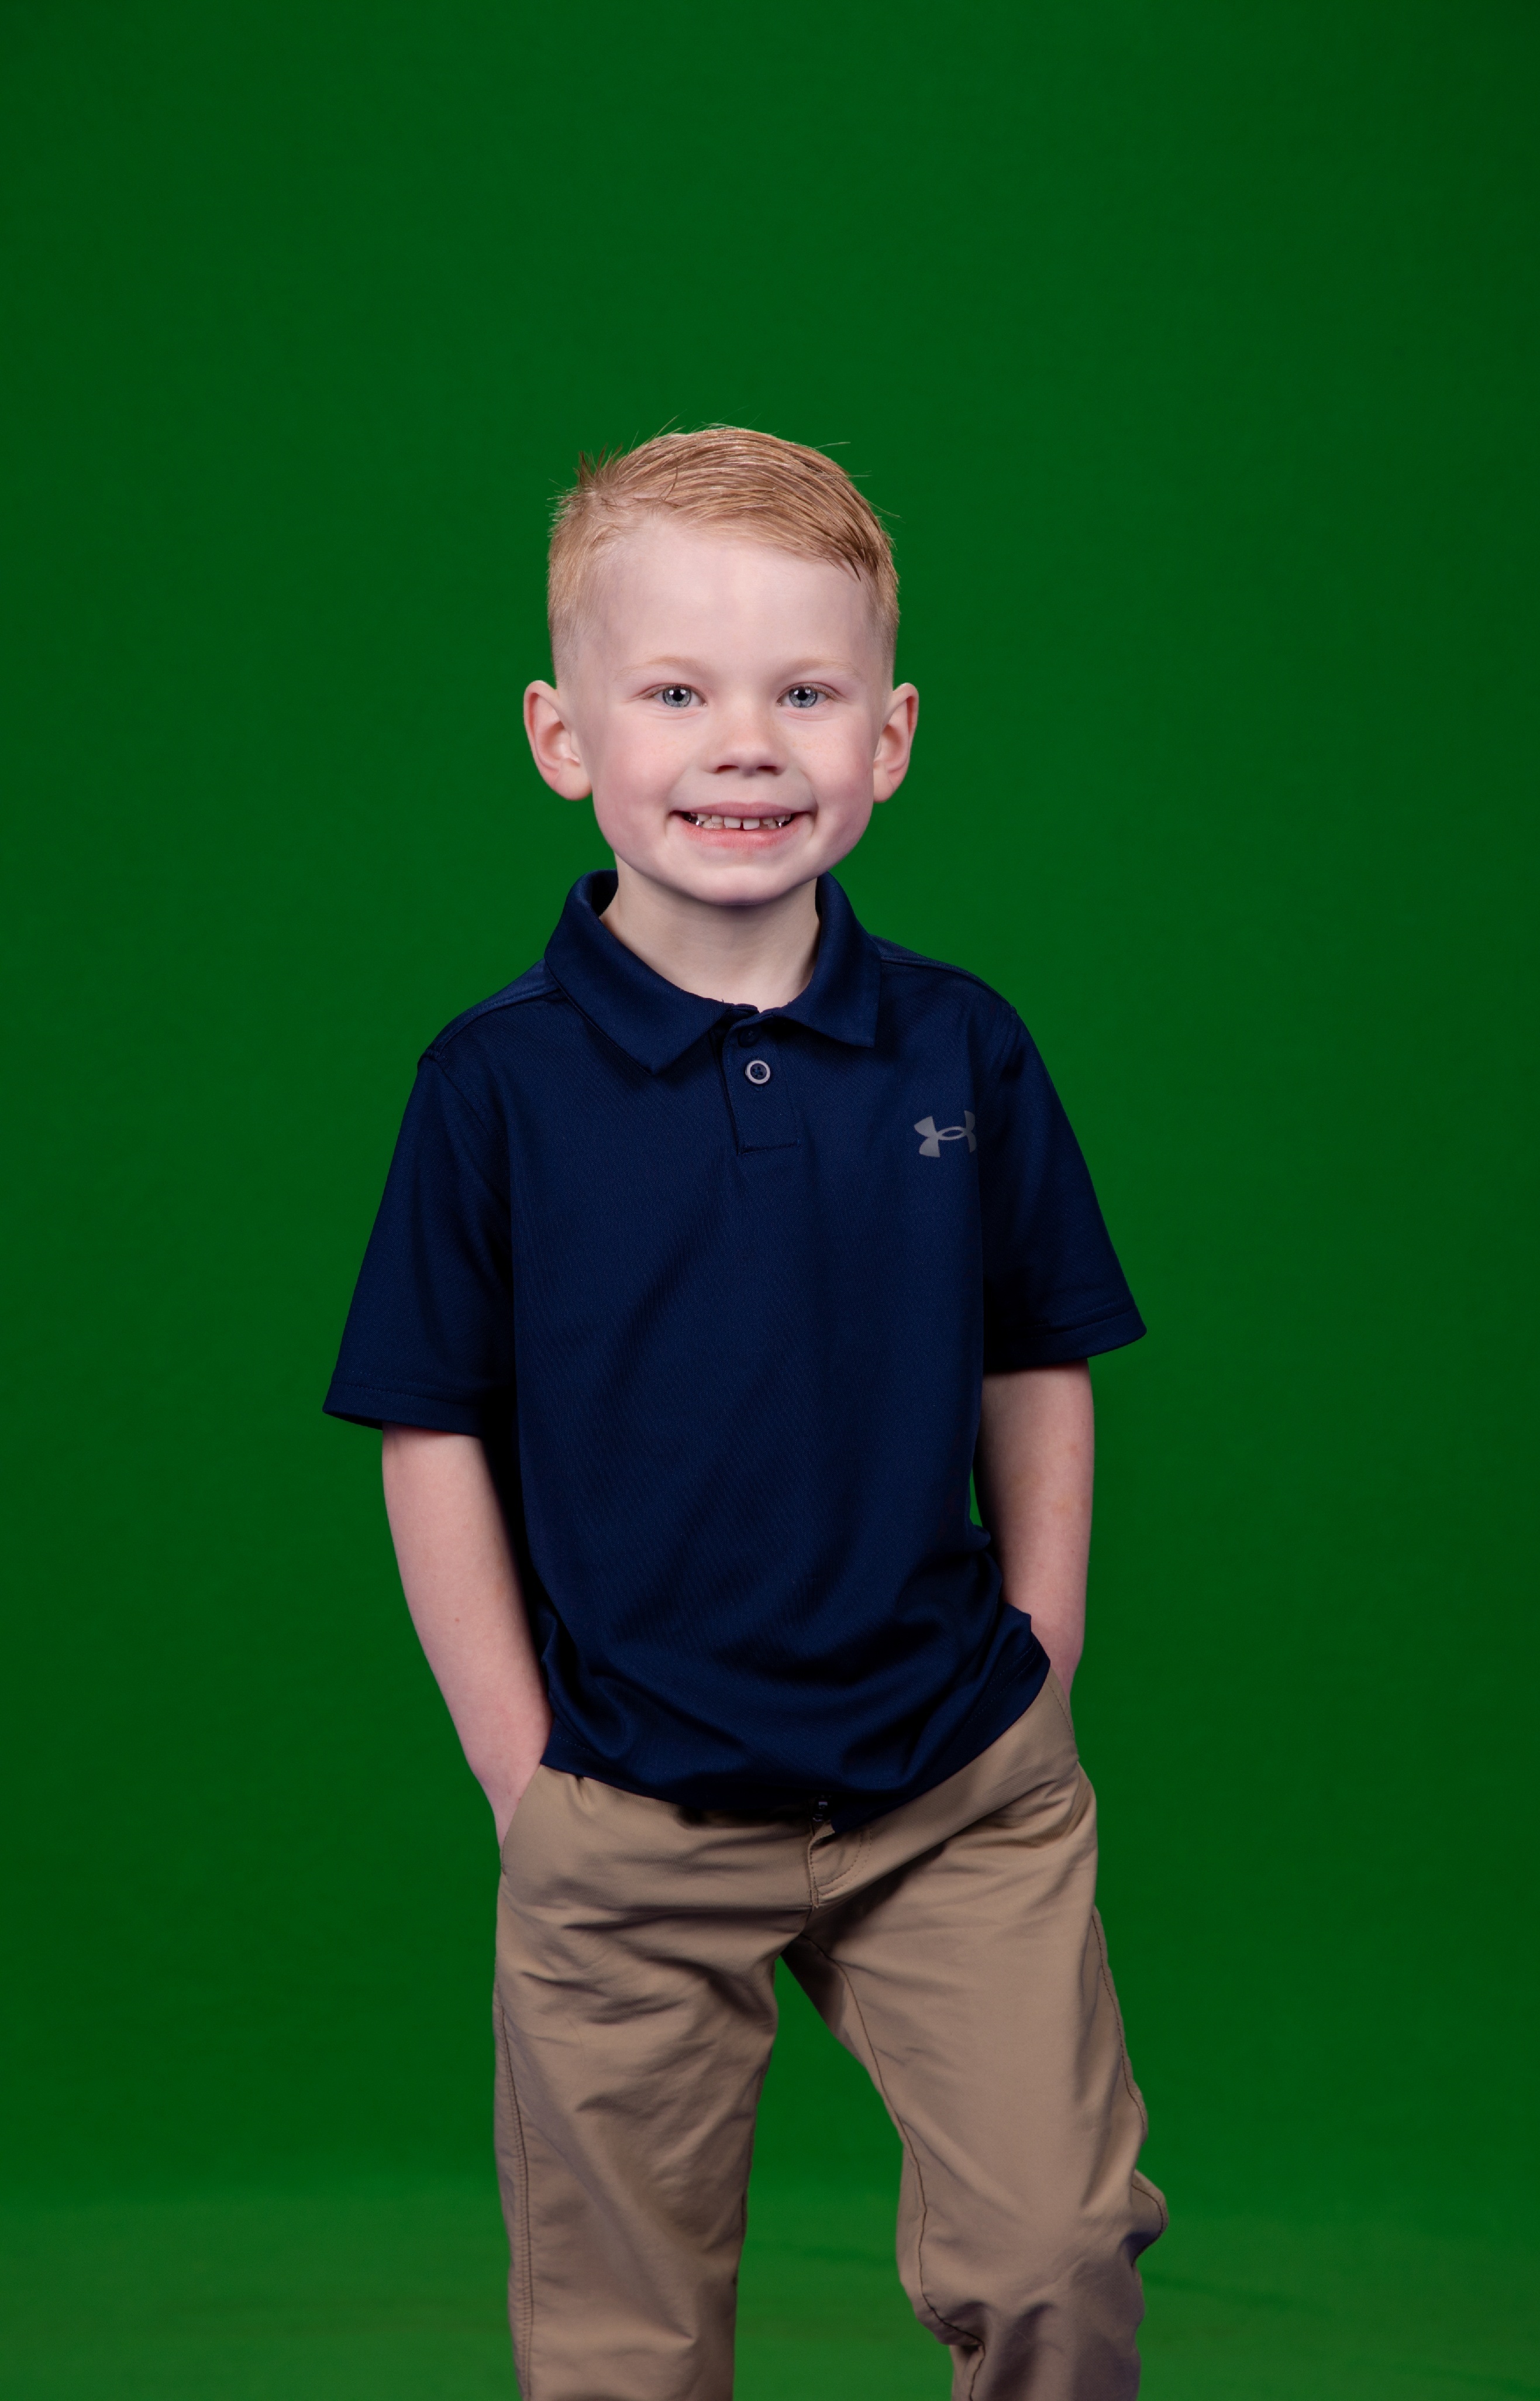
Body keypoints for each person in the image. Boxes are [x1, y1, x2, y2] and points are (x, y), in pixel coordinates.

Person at [325, 426, 1166, 2400]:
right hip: (629, 1812)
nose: (746, 747)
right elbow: (430, 1431)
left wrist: (1042, 1649)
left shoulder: (963, 1048)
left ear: (890, 737)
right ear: (562, 738)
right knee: (623, 2348)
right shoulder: (493, 1087)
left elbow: (1036, 1355)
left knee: (1057, 2253)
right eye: (676, 694)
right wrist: (523, 1780)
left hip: (952, 1788)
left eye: (804, 694)